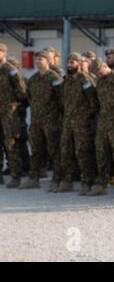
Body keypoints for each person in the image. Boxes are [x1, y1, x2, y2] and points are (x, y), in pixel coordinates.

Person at [87, 59, 114, 198]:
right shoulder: (100, 81)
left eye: (99, 71)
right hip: (103, 122)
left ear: (105, 66)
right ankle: (102, 183)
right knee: (101, 152)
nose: (98, 75)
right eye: (95, 73)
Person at [21, 51, 64, 190]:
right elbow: (28, 97)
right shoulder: (33, 78)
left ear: (48, 61)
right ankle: (33, 179)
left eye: (41, 59)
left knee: (54, 150)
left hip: (51, 120)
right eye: (37, 59)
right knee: (36, 149)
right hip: (36, 120)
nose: (38, 61)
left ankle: (57, 180)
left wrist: (56, 115)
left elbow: (62, 99)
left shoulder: (54, 77)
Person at [58, 53, 99, 195]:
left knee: (83, 152)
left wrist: (85, 117)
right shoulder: (67, 80)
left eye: (73, 62)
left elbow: (93, 102)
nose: (70, 65)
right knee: (65, 151)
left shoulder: (86, 80)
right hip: (68, 122)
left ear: (80, 64)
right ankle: (67, 181)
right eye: (69, 62)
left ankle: (87, 182)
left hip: (82, 123)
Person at [0, 44, 28, 188]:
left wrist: (14, 103)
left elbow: (21, 89)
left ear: (4, 53)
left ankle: (15, 176)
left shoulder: (9, 69)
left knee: (10, 144)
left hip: (9, 113)